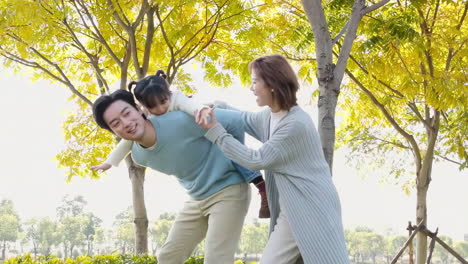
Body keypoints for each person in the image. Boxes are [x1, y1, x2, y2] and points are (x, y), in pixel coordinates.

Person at [196, 54, 349, 263]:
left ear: (272, 84)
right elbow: (243, 119)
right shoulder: (271, 116)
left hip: (311, 208)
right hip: (293, 209)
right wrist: (215, 105)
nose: (251, 88)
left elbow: (256, 159)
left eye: (254, 82)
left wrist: (214, 131)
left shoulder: (295, 124)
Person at [92, 88, 251, 264]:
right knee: (168, 258)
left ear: (139, 109)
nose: (126, 123)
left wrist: (241, 162)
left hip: (229, 190)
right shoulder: (139, 156)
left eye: (127, 113)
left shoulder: (180, 120)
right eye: (116, 123)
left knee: (216, 259)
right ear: (113, 132)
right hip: (197, 198)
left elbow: (237, 121)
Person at [91, 70, 270, 218]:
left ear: (168, 95)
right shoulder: (150, 118)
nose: (161, 109)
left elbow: (190, 107)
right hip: (202, 179)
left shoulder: (177, 101)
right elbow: (125, 143)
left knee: (237, 156)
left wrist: (201, 111)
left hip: (215, 112)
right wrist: (109, 162)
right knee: (231, 153)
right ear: (143, 107)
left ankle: (262, 186)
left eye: (163, 102)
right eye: (154, 107)